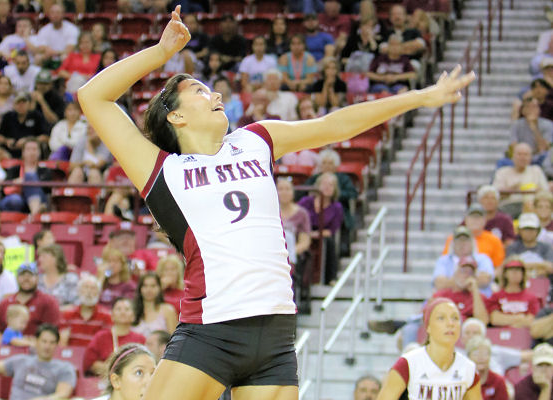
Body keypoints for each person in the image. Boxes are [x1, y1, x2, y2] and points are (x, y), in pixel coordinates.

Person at [76, 5, 474, 398]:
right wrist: (161, 53)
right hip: (210, 331)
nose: (214, 93)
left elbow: (335, 125)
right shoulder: (161, 169)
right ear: (176, 118)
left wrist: (419, 97)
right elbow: (93, 96)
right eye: (199, 91)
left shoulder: (256, 139)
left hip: (276, 335)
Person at [376, 298, 482, 400]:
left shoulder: (469, 369)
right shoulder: (408, 363)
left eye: (455, 318)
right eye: (441, 318)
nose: (450, 323)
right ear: (428, 326)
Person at [0, 324, 77, 400]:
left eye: (52, 342)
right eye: (44, 341)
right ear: (36, 342)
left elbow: (63, 394)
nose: (47, 346)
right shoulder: (21, 361)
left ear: (57, 345)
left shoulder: (64, 368)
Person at [0, 263, 60, 344]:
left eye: (30, 275)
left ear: (37, 278)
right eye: (22, 275)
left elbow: (52, 332)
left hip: (36, 351)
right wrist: (2, 348)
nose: (26, 278)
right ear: (17, 278)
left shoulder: (48, 302)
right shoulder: (5, 303)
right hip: (8, 349)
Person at [298, 172, 343, 285]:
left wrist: (314, 234)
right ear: (317, 186)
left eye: (331, 185)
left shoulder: (336, 207)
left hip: (323, 235)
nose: (327, 187)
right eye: (324, 184)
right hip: (304, 232)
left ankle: (330, 277)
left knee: (329, 242)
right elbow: (297, 218)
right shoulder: (306, 201)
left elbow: (331, 231)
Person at [83, 297, 146, 376]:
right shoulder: (101, 337)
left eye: (127, 309)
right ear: (112, 316)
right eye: (118, 309)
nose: (123, 312)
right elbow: (89, 363)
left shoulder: (140, 339)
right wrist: (114, 370)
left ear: (133, 317)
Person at [277, 178, 312, 312]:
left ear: (292, 192)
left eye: (287, 189)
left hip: (291, 256)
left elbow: (305, 241)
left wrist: (289, 253)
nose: (284, 192)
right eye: (281, 189)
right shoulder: (270, 211)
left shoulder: (302, 214)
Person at [433, 226, 494, 297]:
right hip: (451, 300)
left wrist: (455, 281)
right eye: (459, 240)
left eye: (466, 240)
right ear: (453, 243)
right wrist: (471, 281)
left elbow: (485, 280)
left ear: (472, 242)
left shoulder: (483, 258)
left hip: (478, 300)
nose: (462, 243)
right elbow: (440, 284)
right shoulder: (443, 260)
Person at [0, 137, 53, 214]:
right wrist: (15, 182)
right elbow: (4, 188)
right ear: (23, 152)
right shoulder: (14, 169)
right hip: (17, 199)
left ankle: (35, 211)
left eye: (34, 149)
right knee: (15, 200)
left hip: (40, 199)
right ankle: (35, 213)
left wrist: (26, 181)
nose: (31, 152)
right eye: (28, 149)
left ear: (40, 152)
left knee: (30, 177)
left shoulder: (45, 171)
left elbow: (47, 190)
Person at [442, 203, 505, 269]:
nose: (475, 220)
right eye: (472, 217)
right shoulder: (453, 238)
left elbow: (499, 266)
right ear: (466, 219)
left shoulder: (494, 240)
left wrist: (487, 275)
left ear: (485, 220)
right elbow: (446, 262)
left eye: (478, 217)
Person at [59, 273, 112, 347]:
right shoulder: (68, 314)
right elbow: (62, 343)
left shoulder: (106, 316)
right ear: (79, 291)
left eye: (93, 288)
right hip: (72, 355)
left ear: (99, 293)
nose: (89, 292)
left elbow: (106, 344)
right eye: (86, 287)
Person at [487, 257, 541, 328]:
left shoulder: (531, 297)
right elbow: (495, 319)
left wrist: (506, 319)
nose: (515, 272)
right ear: (505, 273)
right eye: (511, 269)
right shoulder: (496, 296)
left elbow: (530, 321)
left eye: (519, 269)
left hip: (524, 335)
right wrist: (519, 318)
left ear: (523, 274)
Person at [0, 92, 49, 158]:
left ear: (29, 104)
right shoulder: (7, 116)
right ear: (14, 105)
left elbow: (45, 137)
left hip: (30, 150)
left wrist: (28, 141)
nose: (21, 105)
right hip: (9, 151)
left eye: (24, 103)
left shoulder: (37, 116)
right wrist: (6, 141)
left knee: (32, 149)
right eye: (18, 103)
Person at [506, 212, 553, 278]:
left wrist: (523, 266)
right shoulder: (513, 247)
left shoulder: (546, 247)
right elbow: (511, 267)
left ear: (538, 230)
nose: (528, 232)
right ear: (520, 230)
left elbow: (550, 268)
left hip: (543, 284)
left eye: (532, 229)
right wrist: (542, 265)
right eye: (525, 229)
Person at [36, 3, 80, 68]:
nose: (55, 15)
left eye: (58, 13)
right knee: (38, 57)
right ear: (49, 15)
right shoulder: (44, 30)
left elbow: (70, 49)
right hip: (49, 56)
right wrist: (48, 51)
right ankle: (42, 76)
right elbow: (41, 47)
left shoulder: (72, 29)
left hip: (63, 55)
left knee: (65, 57)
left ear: (63, 14)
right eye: (52, 13)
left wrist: (55, 52)